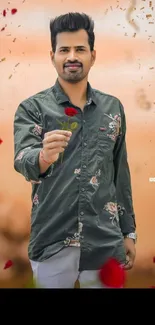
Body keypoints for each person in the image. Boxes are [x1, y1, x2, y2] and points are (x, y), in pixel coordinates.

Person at [13, 12, 137, 288]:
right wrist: (44, 156)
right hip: (52, 240)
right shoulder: (32, 109)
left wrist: (128, 232)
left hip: (105, 242)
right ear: (52, 55)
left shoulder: (113, 109)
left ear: (93, 55)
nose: (72, 56)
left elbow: (120, 175)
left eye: (80, 49)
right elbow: (23, 160)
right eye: (64, 49)